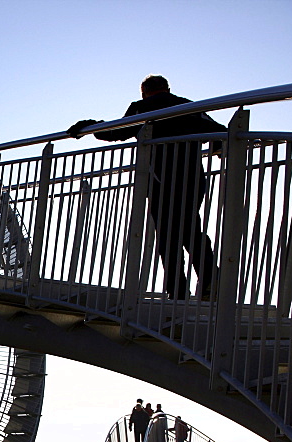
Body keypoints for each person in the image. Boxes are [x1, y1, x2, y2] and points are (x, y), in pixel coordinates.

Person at [68, 75, 226, 300]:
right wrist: (219, 147)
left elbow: (118, 132)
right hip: (193, 178)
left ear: (143, 92)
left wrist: (90, 126)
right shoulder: (187, 105)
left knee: (167, 236)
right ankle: (211, 278)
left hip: (162, 178)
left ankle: (178, 292)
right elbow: (215, 129)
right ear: (168, 89)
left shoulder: (142, 108)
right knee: (191, 228)